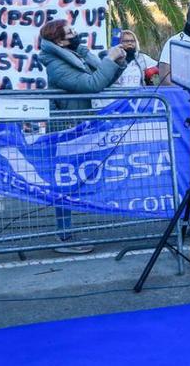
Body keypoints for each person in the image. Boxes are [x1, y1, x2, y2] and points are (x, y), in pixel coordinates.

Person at [38, 19, 126, 253]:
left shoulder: (76, 55)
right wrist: (108, 60)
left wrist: (117, 61)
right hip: (66, 130)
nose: (76, 35)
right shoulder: (56, 65)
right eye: (70, 33)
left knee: (77, 180)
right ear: (58, 40)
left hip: (82, 128)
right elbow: (92, 84)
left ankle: (69, 232)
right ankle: (64, 237)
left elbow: (103, 78)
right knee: (64, 182)